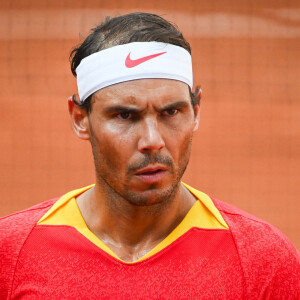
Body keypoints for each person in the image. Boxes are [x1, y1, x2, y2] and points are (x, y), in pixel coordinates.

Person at [0, 12, 299, 299]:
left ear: (195, 112)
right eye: (125, 116)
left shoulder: (262, 261)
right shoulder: (11, 253)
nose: (153, 141)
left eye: (171, 112)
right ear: (80, 118)